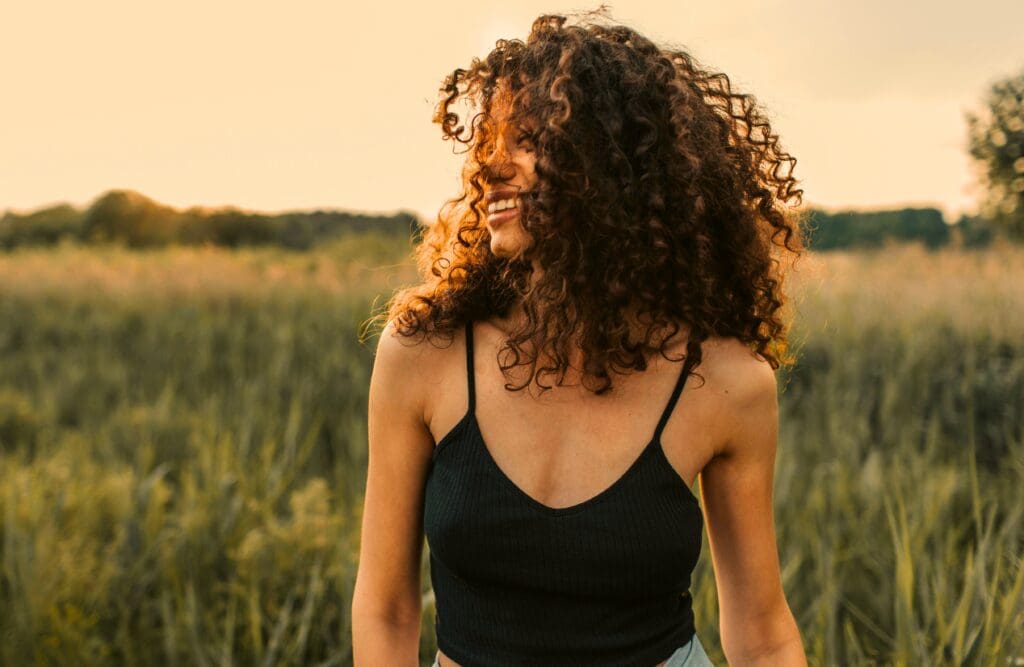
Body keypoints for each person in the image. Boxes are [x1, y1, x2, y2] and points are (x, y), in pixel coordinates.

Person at [352, 8, 809, 666]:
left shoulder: (725, 382)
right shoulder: (425, 351)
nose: (491, 168)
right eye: (489, 143)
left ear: (612, 166)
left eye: (529, 140)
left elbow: (763, 635)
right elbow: (386, 606)